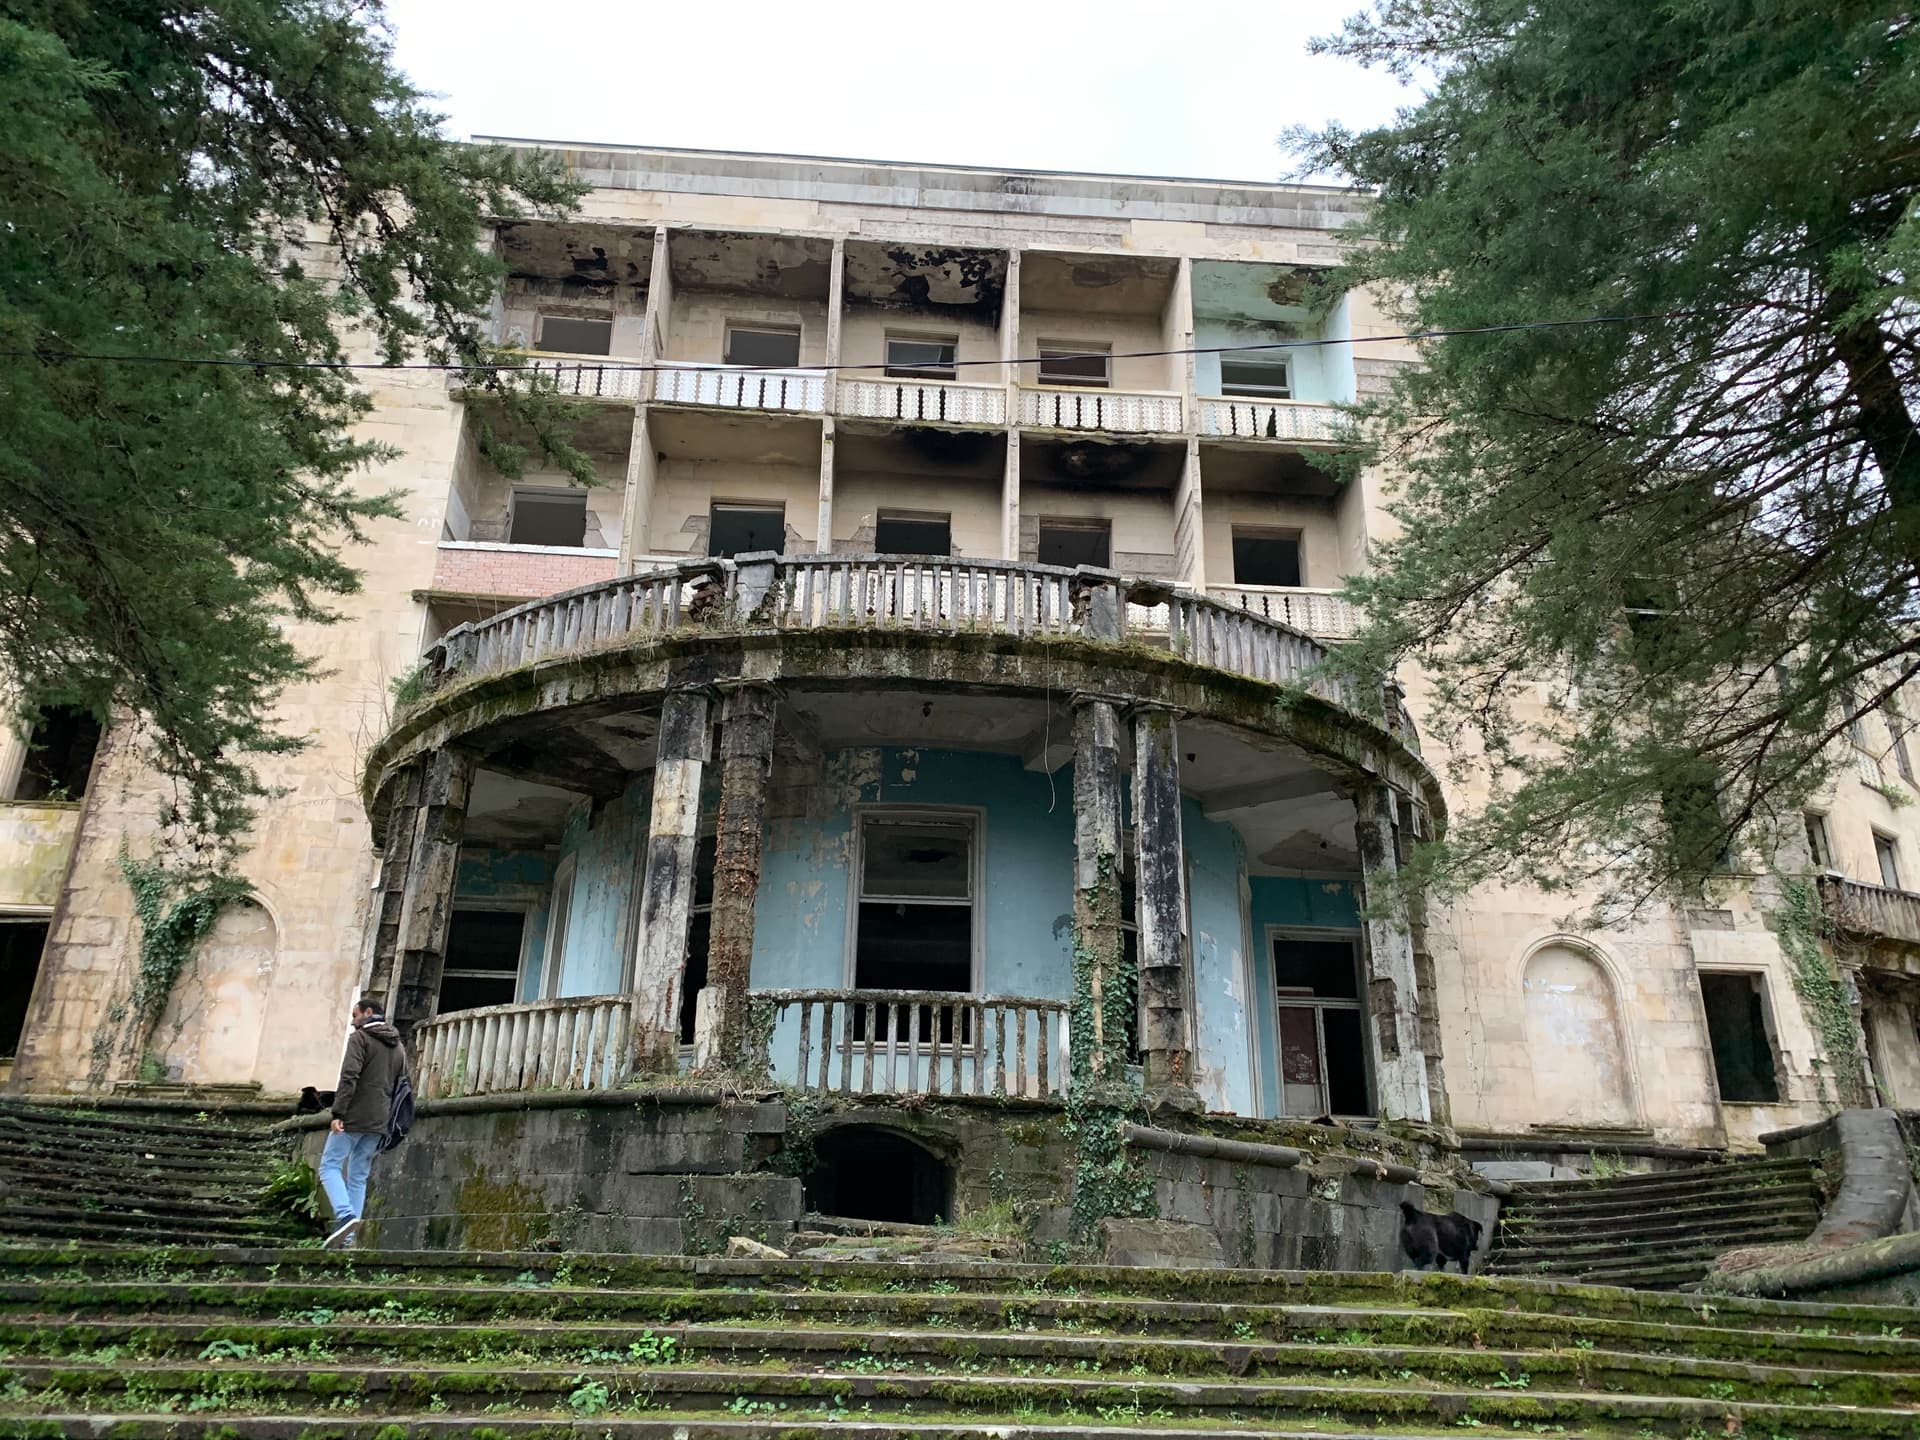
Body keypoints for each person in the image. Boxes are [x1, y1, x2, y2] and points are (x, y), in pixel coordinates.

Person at [318, 996, 408, 1249]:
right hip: (381, 1120)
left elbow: (349, 1076)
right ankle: (348, 1239)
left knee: (329, 1166)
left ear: (368, 1013)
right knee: (358, 1177)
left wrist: (338, 1113)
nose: (352, 1021)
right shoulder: (398, 1047)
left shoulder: (360, 1039)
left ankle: (345, 1215)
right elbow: (402, 1086)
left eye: (355, 1015)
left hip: (354, 1115)